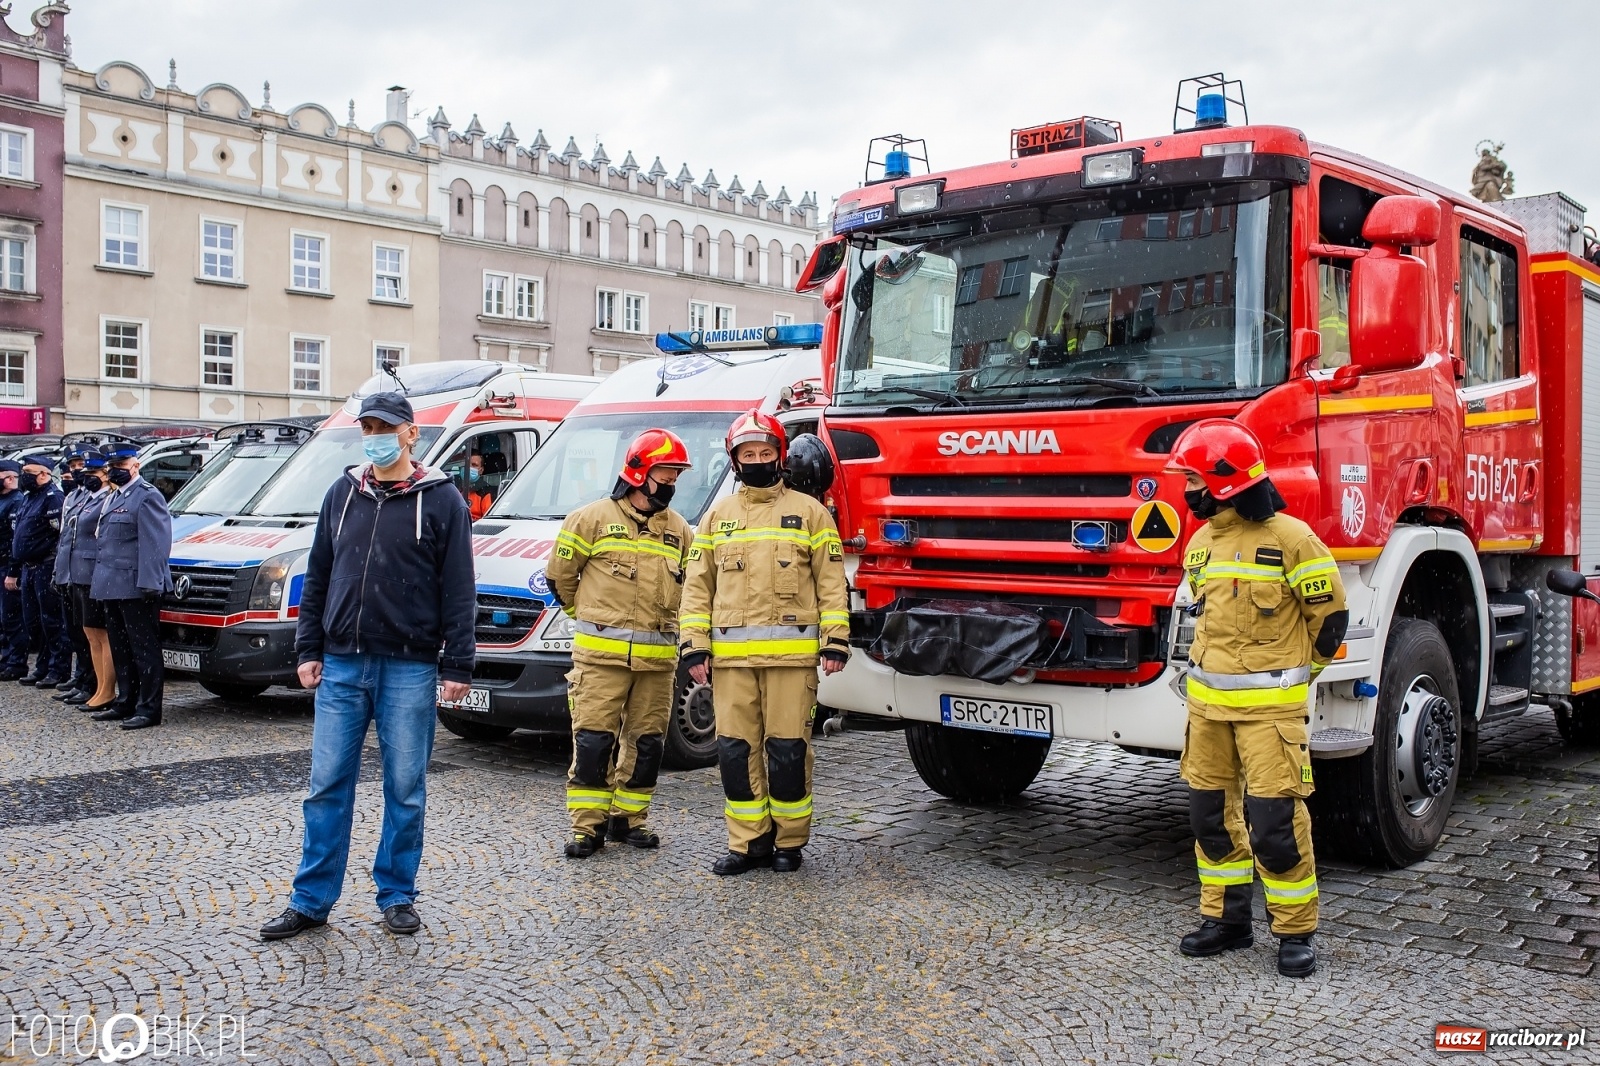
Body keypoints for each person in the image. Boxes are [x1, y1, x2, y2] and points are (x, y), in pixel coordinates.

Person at [260, 392, 475, 941]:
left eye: (385, 427)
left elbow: (458, 590)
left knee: (405, 787)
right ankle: (310, 900)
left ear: (410, 434)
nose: (374, 435)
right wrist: (308, 649)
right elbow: (319, 577)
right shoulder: (342, 493)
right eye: (367, 427)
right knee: (326, 785)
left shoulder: (443, 499)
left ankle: (397, 894)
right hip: (342, 665)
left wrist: (458, 663)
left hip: (410, 667)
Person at [1165, 419, 1347, 979]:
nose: (1186, 490)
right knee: (1210, 820)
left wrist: (1297, 679)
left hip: (1271, 716)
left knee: (1275, 823)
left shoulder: (1293, 540)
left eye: (1193, 479)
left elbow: (1332, 621)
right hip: (1208, 713)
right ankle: (1227, 921)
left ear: (1222, 481)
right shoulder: (1199, 544)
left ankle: (1295, 932)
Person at [679, 410, 850, 876]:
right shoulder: (717, 518)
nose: (757, 460)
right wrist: (694, 647)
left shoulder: (810, 513)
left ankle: (789, 843)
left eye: (765, 453)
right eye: (748, 454)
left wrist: (835, 641)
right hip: (732, 664)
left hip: (792, 663)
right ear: (735, 461)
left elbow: (832, 583)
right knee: (734, 752)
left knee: (788, 752)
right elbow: (697, 587)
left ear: (780, 457)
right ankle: (748, 842)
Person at [546, 429, 694, 858]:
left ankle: (629, 820)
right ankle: (586, 828)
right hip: (599, 662)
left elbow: (691, 593)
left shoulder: (679, 531)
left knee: (647, 745)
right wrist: (588, 617)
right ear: (638, 473)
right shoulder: (590, 519)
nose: (670, 483)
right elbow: (560, 577)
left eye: (675, 476)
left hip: (658, 664)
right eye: (665, 474)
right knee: (593, 743)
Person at [88, 442, 173, 729]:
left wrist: (150, 583)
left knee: (143, 648)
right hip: (112, 585)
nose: (115, 472)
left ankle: (148, 709)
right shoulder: (113, 497)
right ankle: (126, 701)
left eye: (121, 467)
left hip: (137, 586)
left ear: (136, 466)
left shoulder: (147, 496)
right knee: (121, 647)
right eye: (112, 468)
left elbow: (155, 544)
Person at [53, 451, 116, 710]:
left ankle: (103, 689)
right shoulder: (84, 498)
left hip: (93, 574)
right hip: (76, 572)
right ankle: (91, 684)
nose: (86, 476)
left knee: (100, 634)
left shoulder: (107, 499)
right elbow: (67, 538)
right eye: (84, 472)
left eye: (92, 472)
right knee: (87, 633)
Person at [11, 452, 68, 687]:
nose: (24, 477)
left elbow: (59, 534)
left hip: (46, 566)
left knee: (52, 621)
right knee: (34, 622)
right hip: (29, 568)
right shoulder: (29, 497)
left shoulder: (53, 498)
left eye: (28, 473)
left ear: (44, 475)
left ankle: (58, 669)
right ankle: (42, 666)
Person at [50, 449, 96, 702]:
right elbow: (65, 538)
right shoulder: (74, 495)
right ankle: (81, 677)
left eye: (82, 465)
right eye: (74, 465)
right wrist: (59, 571)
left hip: (86, 573)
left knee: (89, 632)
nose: (77, 470)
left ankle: (90, 681)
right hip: (69, 571)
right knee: (75, 631)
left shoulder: (96, 496)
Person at [0, 459, 26, 681]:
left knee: (11, 617)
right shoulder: (3, 500)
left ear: (9, 479)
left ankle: (16, 662)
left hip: (7, 565)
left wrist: (12, 570)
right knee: (3, 618)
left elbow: (16, 541)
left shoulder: (16, 502)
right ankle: (7, 658)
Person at [464, 453, 494, 520]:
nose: (469, 468)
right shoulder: (455, 488)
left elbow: (487, 522)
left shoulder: (485, 492)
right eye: (466, 464)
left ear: (481, 470)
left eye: (474, 465)